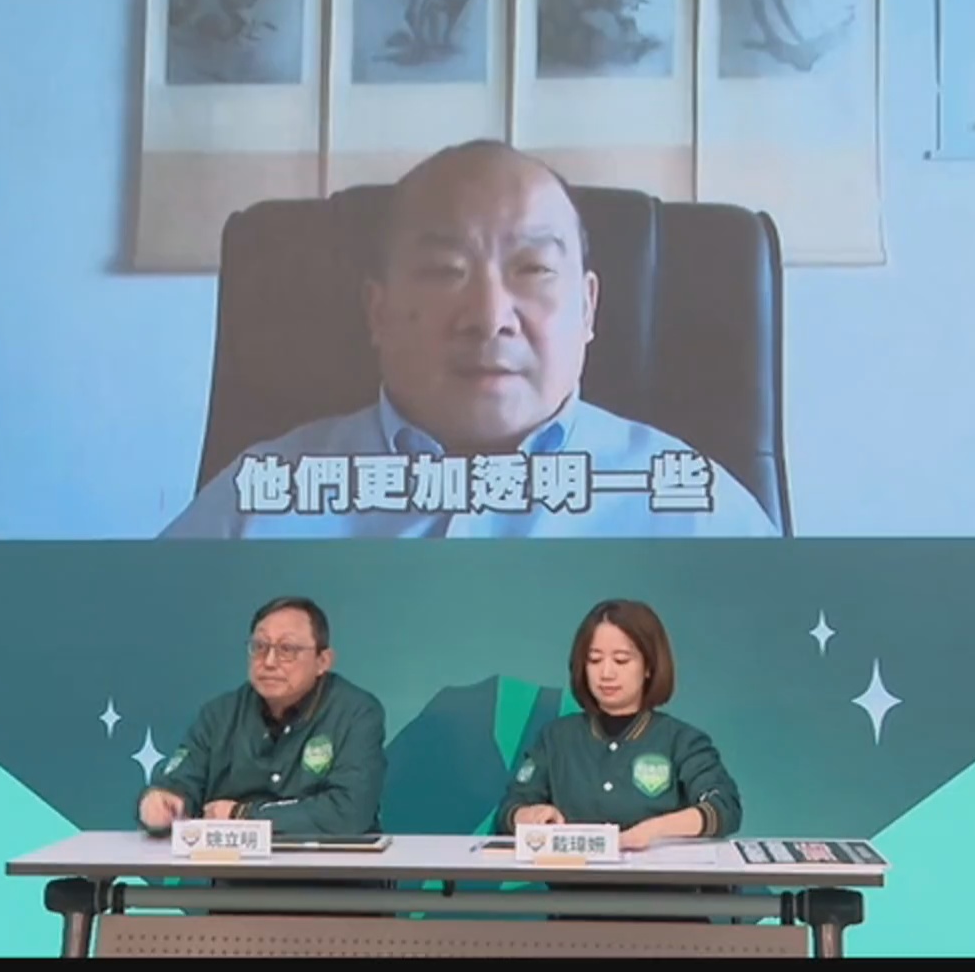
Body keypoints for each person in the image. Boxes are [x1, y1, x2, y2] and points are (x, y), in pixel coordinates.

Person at [159, 138, 781, 540]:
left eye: (532, 268)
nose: (489, 316)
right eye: (443, 271)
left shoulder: (692, 511)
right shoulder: (259, 502)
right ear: (378, 311)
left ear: (588, 308)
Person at [495, 599, 743, 923]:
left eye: (621, 660)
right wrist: (529, 816)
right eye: (594, 660)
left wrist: (654, 831)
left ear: (649, 666)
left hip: (671, 921)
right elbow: (509, 811)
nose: (606, 673)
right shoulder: (556, 738)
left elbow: (724, 807)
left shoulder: (681, 740)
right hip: (575, 920)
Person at [138, 596, 387, 837]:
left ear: (322, 661)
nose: (268, 661)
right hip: (237, 864)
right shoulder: (219, 715)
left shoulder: (356, 713)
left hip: (330, 864)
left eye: (287, 649)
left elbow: (349, 811)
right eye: (260, 647)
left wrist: (244, 815)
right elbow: (179, 784)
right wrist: (162, 801)